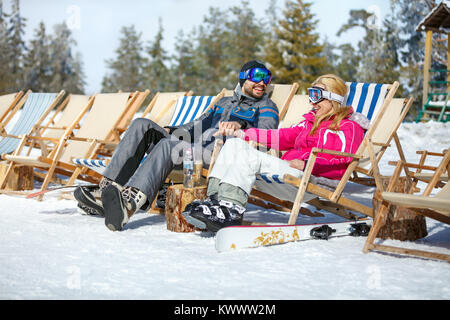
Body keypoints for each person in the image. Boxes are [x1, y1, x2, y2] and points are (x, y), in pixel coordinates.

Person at [74, 60, 280, 231]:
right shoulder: (224, 102)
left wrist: (240, 126)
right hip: (191, 147)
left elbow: (267, 137)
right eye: (257, 75)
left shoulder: (266, 106)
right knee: (141, 125)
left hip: (215, 157)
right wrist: (173, 130)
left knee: (167, 146)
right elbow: (196, 125)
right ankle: (107, 191)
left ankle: (128, 205)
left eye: (267, 78)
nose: (262, 82)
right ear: (243, 77)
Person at [183, 74, 367, 232]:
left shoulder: (348, 127)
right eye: (310, 94)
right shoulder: (308, 123)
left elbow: (343, 158)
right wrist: (243, 133)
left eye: (316, 95)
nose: (311, 101)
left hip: (311, 178)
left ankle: (231, 210)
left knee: (250, 156)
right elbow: (280, 136)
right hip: (289, 171)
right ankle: (216, 200)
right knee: (234, 144)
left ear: (333, 99)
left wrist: (306, 162)